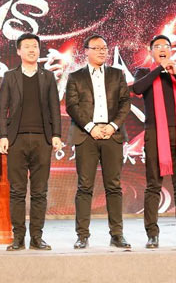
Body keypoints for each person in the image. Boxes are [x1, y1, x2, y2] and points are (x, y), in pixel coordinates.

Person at [132, 34, 176, 249]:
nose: (162, 49)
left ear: (171, 51)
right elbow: (138, 89)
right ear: (151, 52)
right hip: (155, 134)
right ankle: (152, 234)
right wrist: (159, 69)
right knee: (153, 186)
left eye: (166, 46)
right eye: (158, 46)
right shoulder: (144, 72)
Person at [0, 33, 63, 251]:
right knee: (17, 191)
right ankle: (18, 237)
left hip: (42, 140)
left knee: (40, 192)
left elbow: (54, 108)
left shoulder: (47, 77)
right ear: (19, 51)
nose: (32, 50)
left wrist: (56, 134)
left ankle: (37, 237)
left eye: (35, 46)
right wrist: (3, 136)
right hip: (16, 140)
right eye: (26, 46)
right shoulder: (10, 76)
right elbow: (2, 108)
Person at [66, 34, 131, 249]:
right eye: (97, 48)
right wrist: (91, 127)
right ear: (86, 51)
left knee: (114, 186)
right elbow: (72, 106)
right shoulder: (76, 77)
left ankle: (117, 234)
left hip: (112, 134)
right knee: (85, 186)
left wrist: (112, 126)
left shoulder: (117, 74)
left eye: (104, 48)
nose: (102, 51)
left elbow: (125, 103)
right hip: (86, 135)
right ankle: (82, 235)